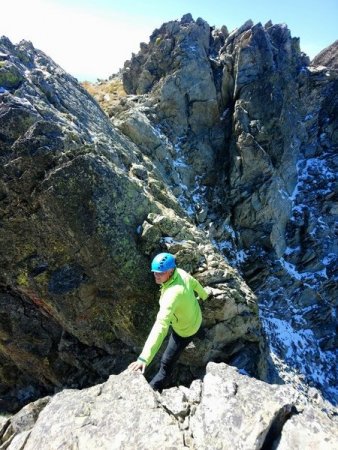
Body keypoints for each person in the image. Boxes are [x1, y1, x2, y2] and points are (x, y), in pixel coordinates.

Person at [128, 252, 209, 391]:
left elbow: (161, 325)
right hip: (196, 318)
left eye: (160, 273)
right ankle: (202, 334)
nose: (156, 275)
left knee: (166, 361)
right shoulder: (181, 273)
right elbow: (195, 284)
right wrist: (205, 295)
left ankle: (155, 388)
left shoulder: (172, 295)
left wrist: (144, 358)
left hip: (183, 332)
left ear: (170, 271)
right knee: (198, 330)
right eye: (155, 272)